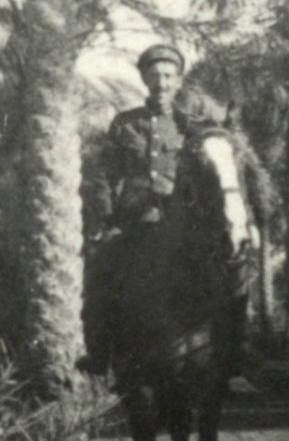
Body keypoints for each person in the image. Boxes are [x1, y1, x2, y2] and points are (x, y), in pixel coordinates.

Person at [81, 42, 249, 377]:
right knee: (100, 270)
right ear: (144, 78)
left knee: (234, 271)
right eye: (155, 75)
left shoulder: (194, 127)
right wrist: (102, 218)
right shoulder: (125, 124)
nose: (162, 83)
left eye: (169, 76)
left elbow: (221, 168)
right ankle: (99, 353)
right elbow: (104, 176)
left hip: (183, 222)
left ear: (179, 79)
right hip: (134, 223)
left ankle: (235, 353)